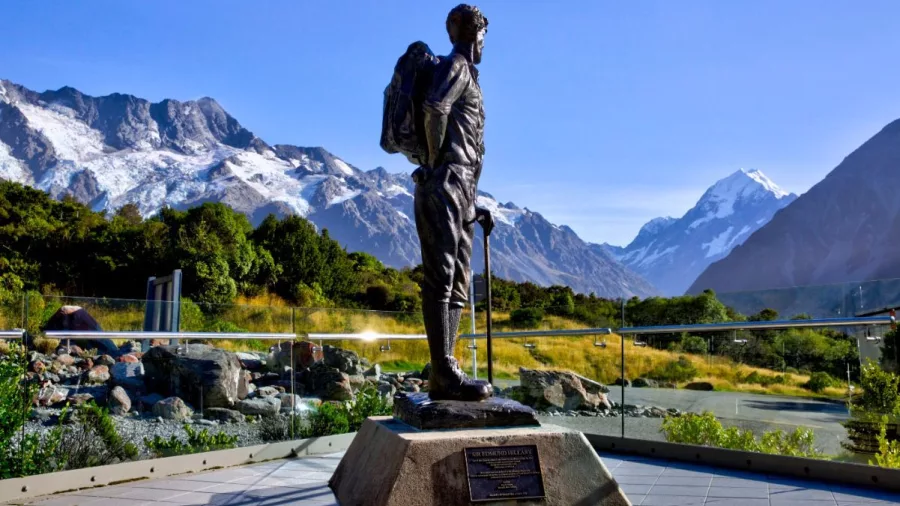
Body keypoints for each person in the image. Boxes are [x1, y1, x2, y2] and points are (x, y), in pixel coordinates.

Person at [413, 4, 494, 401]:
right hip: (446, 180)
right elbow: (434, 108)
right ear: (471, 32)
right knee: (442, 275)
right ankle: (441, 369)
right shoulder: (457, 67)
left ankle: (448, 367)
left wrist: (474, 203)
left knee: (460, 281)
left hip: (463, 187)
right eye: (481, 33)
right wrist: (433, 162)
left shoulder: (469, 74)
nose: (483, 42)